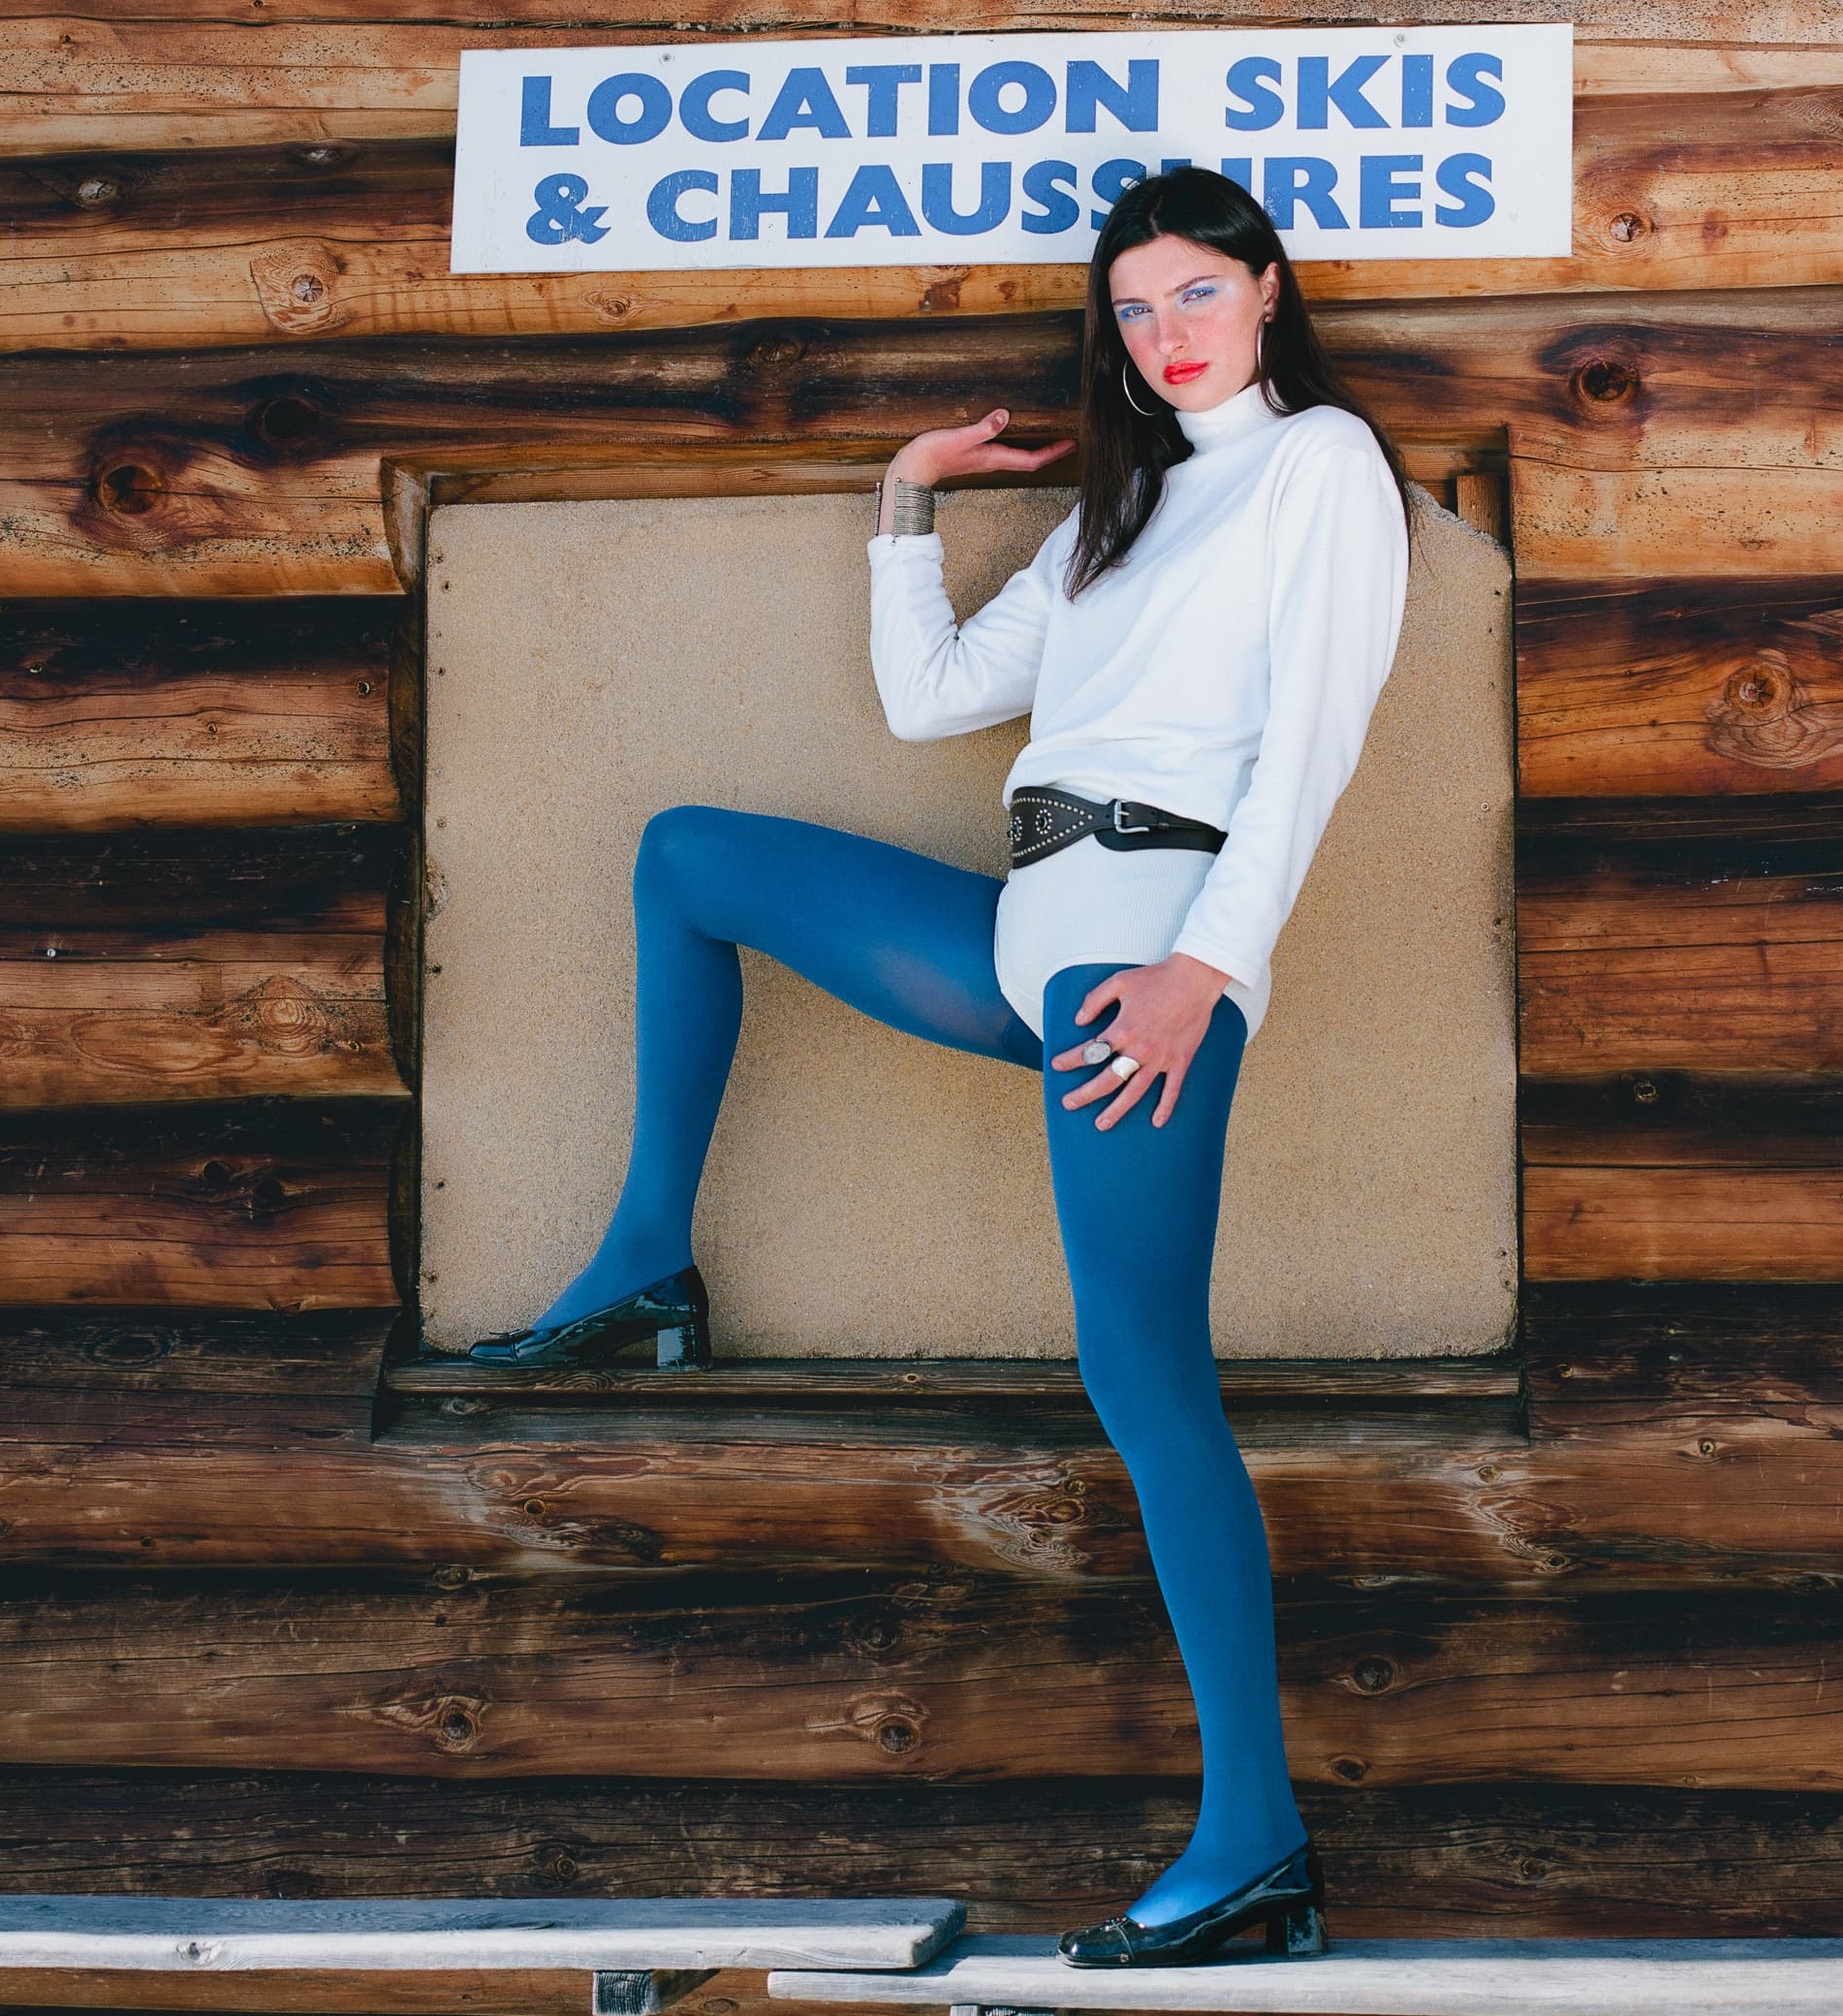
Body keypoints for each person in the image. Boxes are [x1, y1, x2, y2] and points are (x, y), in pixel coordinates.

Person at [466, 165, 1415, 1967]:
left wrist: (1205, 970)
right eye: (1132, 311)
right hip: (1025, 931)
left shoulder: (1319, 470)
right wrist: (907, 497)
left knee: (1141, 1377)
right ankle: (645, 1258)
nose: (1166, 336)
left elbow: (1314, 740)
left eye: (1197, 296)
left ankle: (1255, 1838)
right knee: (690, 858)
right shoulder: (1112, 518)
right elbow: (932, 702)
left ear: (1268, 292)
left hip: (1143, 955)